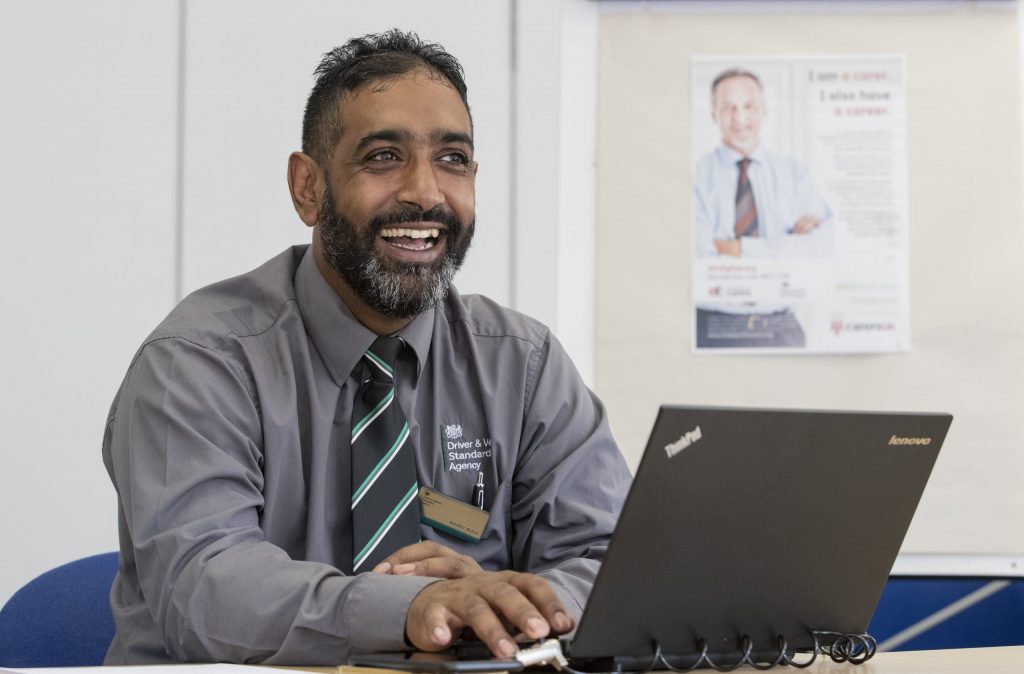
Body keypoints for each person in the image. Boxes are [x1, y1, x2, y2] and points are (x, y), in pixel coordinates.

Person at [102, 30, 631, 666]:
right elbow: (203, 590)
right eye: (383, 157)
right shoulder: (200, 361)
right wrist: (412, 610)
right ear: (308, 187)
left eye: (453, 160)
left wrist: (508, 604)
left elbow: (615, 563)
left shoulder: (523, 365)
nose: (427, 193)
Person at [692, 68, 832, 348]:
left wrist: (740, 249)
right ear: (713, 114)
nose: (740, 118)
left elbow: (822, 250)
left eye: (749, 106)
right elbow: (701, 267)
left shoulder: (794, 173)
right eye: (728, 107)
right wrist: (784, 252)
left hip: (782, 327)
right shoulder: (695, 177)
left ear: (764, 110)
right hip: (715, 327)